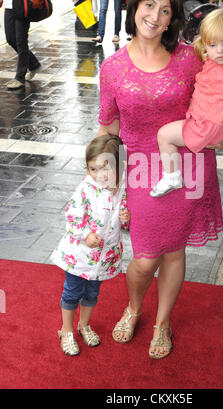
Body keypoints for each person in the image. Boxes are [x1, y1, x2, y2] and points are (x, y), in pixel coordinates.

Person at [97, 0, 223, 359]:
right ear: (134, 7)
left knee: (173, 251)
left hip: (187, 168)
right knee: (144, 259)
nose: (155, 16)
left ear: (173, 19)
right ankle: (134, 306)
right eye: (149, 6)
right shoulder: (112, 68)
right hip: (141, 171)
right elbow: (108, 126)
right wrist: (107, 183)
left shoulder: (190, 58)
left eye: (166, 10)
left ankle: (162, 322)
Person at [150, 8, 223, 198]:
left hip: (208, 125)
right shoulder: (212, 60)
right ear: (205, 45)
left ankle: (172, 176)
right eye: (212, 45)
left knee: (164, 135)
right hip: (206, 122)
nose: (219, 50)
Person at [51, 135, 130, 356]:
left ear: (119, 165)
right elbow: (72, 217)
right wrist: (85, 234)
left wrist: (126, 217)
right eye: (93, 169)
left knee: (93, 293)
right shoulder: (86, 187)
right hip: (81, 254)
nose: (98, 175)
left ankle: (84, 324)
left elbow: (124, 217)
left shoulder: (123, 186)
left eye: (104, 169)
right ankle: (66, 329)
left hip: (104, 256)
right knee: (72, 292)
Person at [0, 0, 41, 90]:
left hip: (23, 3)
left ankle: (20, 77)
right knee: (10, 38)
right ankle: (33, 64)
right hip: (10, 4)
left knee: (21, 41)